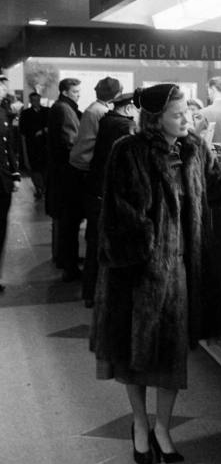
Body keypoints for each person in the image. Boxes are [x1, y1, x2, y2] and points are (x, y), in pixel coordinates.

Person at [90, 83, 221, 464]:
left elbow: (219, 181)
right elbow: (117, 215)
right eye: (178, 115)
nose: (187, 120)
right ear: (155, 117)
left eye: (189, 114)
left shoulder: (194, 148)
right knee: (134, 357)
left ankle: (162, 428)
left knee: (170, 359)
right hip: (137, 276)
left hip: (180, 272)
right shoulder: (127, 152)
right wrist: (148, 248)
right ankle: (140, 425)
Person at [62, 77, 122, 285]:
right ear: (116, 95)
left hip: (82, 173)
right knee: (94, 232)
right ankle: (89, 281)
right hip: (88, 176)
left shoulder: (92, 109)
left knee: (89, 230)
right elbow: (89, 149)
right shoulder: (100, 113)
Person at [83, 92, 138, 308]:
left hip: (95, 190)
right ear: (127, 108)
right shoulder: (124, 127)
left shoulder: (106, 121)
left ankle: (90, 292)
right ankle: (100, 296)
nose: (137, 114)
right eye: (135, 109)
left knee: (94, 243)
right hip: (108, 194)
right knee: (104, 245)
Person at [46, 78, 82, 268]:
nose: (79, 94)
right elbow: (70, 142)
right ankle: (67, 261)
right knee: (67, 220)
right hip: (66, 174)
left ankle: (63, 258)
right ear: (66, 92)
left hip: (59, 173)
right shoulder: (64, 109)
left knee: (62, 219)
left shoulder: (60, 107)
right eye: (75, 91)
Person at [0, 74, 21, 293]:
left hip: (3, 179)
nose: (4, 89)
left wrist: (15, 173)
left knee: (1, 229)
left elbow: (9, 145)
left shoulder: (4, 112)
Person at [19, 92, 49, 199]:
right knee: (35, 168)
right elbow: (22, 132)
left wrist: (43, 131)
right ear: (30, 101)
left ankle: (44, 188)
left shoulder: (47, 111)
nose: (35, 102)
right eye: (33, 100)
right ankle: (39, 188)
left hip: (45, 146)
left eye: (37, 100)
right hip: (32, 146)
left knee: (45, 168)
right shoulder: (26, 113)